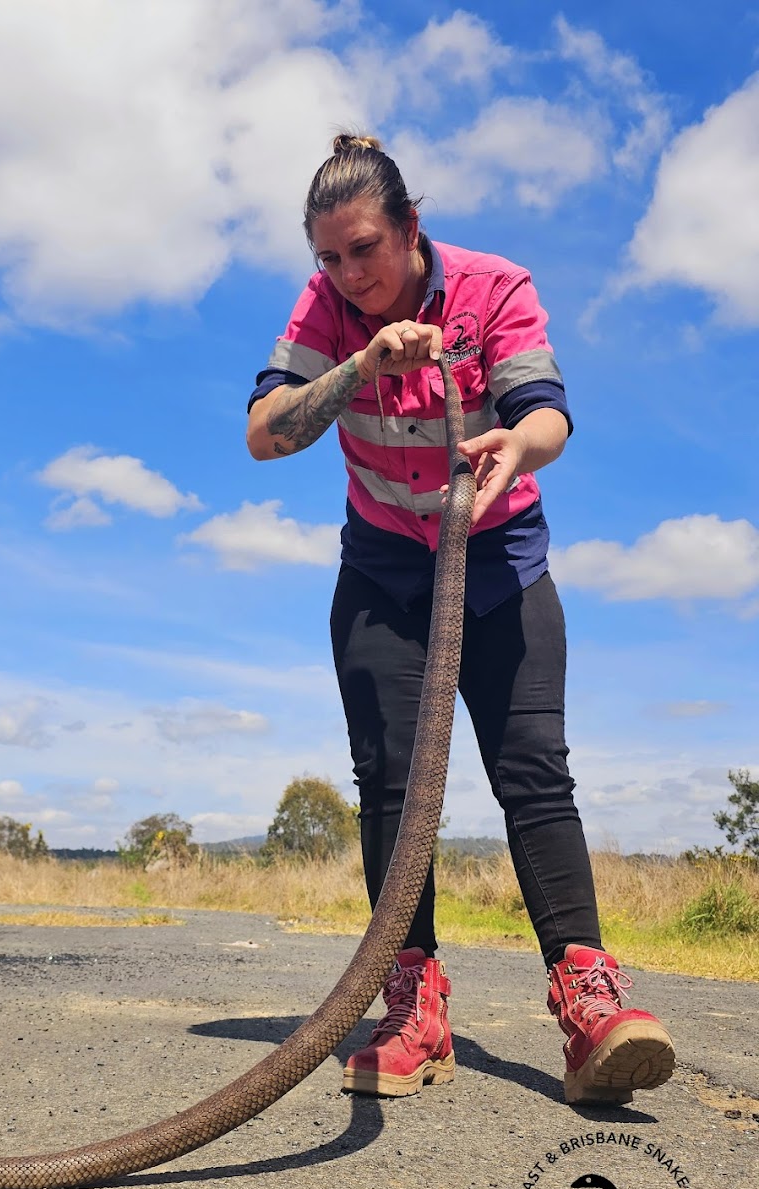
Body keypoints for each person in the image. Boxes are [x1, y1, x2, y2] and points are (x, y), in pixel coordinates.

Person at [246, 133, 675, 1106]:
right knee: (390, 783)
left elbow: (546, 413)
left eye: (364, 249)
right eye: (328, 257)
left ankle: (588, 1000)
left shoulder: (493, 286)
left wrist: (515, 447)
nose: (348, 274)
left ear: (410, 227)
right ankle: (414, 1002)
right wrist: (358, 364)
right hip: (383, 573)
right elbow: (265, 433)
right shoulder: (324, 311)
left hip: (500, 561)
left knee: (533, 771)